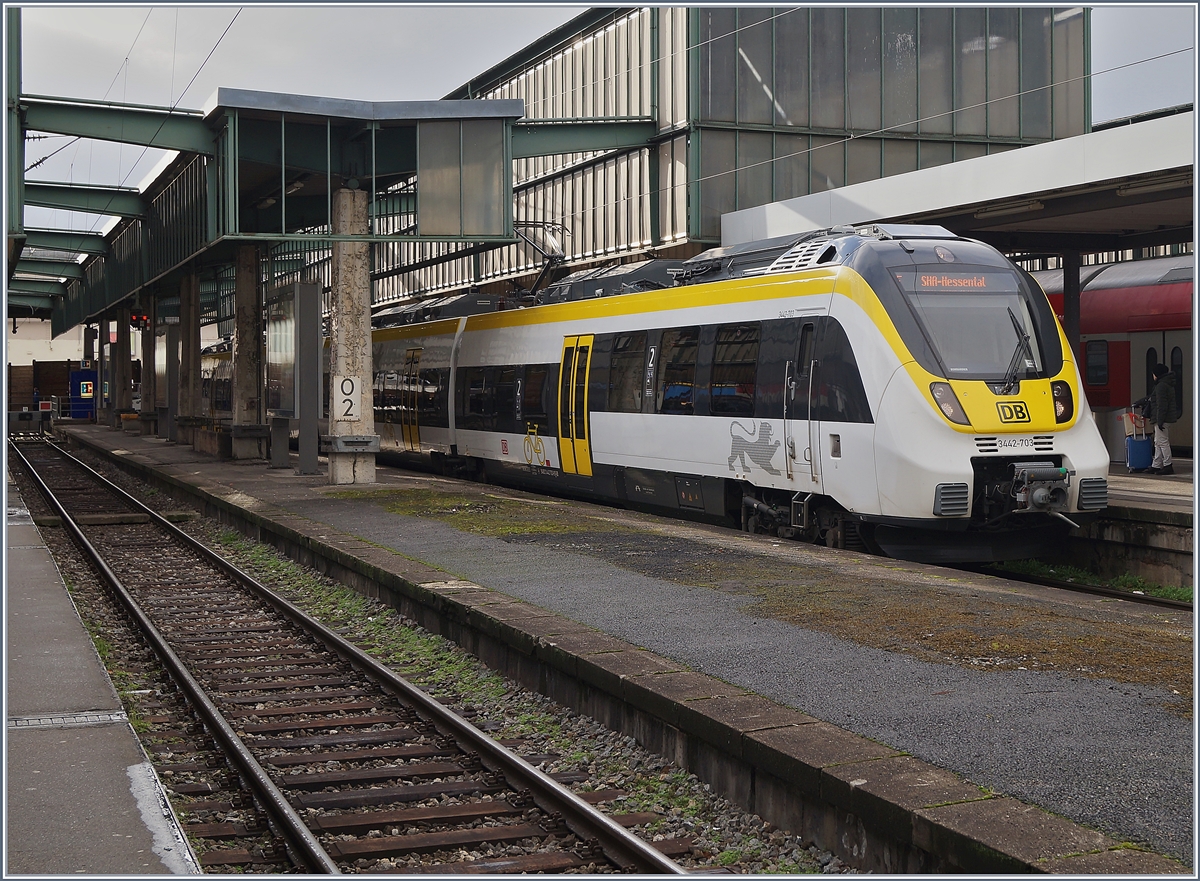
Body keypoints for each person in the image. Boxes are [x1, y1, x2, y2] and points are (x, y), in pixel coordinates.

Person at [1147, 363, 1179, 475]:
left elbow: (1162, 405)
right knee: (1158, 442)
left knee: (1163, 442)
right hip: (1163, 418)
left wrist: (1159, 421)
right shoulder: (1166, 384)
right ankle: (1156, 464)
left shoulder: (1161, 386)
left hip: (1162, 419)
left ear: (1157, 374)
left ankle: (1167, 464)